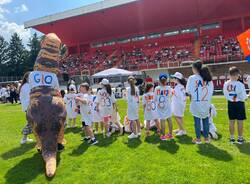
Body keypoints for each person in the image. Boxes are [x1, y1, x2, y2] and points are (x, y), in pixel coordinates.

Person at [186, 60, 214, 144]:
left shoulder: (192, 78)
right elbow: (211, 91)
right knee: (206, 120)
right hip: (206, 103)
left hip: (196, 103)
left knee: (197, 121)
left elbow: (188, 91)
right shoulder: (208, 79)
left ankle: (198, 139)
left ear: (195, 68)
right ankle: (206, 139)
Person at [223, 67, 248, 144]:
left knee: (231, 121)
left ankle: (232, 138)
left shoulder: (226, 83)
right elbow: (243, 97)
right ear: (236, 75)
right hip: (239, 103)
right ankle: (240, 138)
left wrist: (232, 98)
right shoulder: (240, 84)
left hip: (231, 103)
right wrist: (246, 97)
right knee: (240, 121)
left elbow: (225, 94)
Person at [155, 73, 173, 140]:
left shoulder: (157, 88)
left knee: (162, 120)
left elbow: (155, 98)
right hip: (167, 105)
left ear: (159, 80)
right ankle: (170, 134)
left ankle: (163, 136)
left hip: (160, 106)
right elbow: (170, 95)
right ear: (166, 80)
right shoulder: (169, 88)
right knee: (169, 119)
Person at [171, 72, 187, 136]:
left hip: (178, 103)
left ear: (177, 79)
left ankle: (182, 130)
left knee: (176, 116)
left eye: (174, 78)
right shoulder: (181, 86)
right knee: (180, 116)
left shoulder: (178, 87)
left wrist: (172, 91)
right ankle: (180, 128)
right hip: (181, 103)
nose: (173, 79)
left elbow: (178, 95)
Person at [19, 72, 33, 144]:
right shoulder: (27, 86)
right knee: (30, 123)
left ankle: (25, 138)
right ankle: (24, 138)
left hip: (28, 106)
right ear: (26, 78)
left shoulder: (25, 85)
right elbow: (30, 97)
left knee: (33, 122)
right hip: (30, 106)